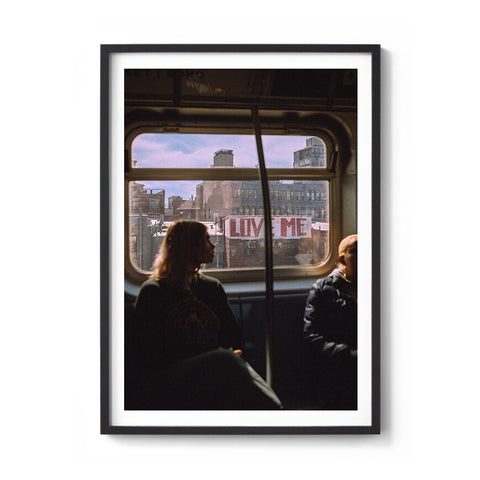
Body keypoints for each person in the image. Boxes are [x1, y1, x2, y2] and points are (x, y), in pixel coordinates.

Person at [128, 220, 282, 410]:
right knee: (225, 361)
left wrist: (229, 354)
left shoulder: (211, 287)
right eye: (206, 239)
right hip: (168, 377)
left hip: (214, 369)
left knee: (229, 363)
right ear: (189, 247)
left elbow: (233, 338)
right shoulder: (153, 292)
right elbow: (147, 354)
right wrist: (213, 359)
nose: (213, 245)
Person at [303, 234, 358, 409]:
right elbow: (312, 336)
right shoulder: (323, 289)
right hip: (340, 363)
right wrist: (350, 355)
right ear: (342, 259)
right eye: (356, 251)